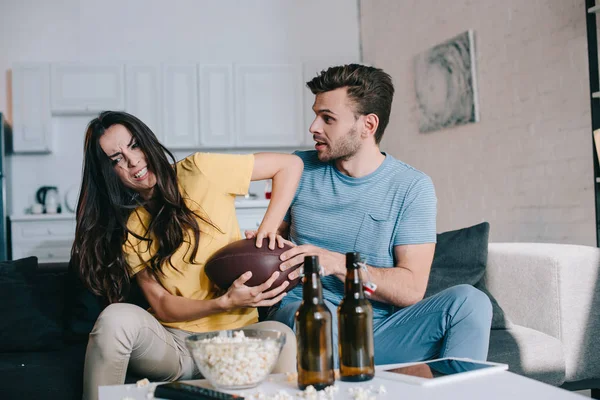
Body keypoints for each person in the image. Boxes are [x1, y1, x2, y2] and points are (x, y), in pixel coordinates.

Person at [254, 64, 492, 365]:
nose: (314, 127)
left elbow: (410, 289)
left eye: (328, 118)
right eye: (316, 115)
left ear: (368, 125)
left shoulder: (411, 187)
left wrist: (339, 264)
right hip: (308, 314)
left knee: (471, 303)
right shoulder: (297, 168)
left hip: (380, 329)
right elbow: (272, 243)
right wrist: (260, 248)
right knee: (310, 317)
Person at [72, 111, 303, 400]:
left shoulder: (201, 170)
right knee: (115, 318)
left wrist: (265, 232)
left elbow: (290, 165)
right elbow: (163, 304)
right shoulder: (131, 227)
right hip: (175, 347)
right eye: (116, 159)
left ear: (147, 141)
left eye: (134, 145)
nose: (133, 162)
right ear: (108, 172)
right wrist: (222, 303)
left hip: (237, 340)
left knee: (282, 337)